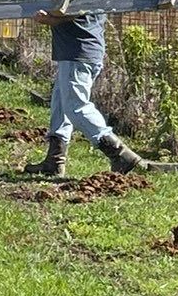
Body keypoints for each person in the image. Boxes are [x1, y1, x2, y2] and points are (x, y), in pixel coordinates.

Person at [30, 10, 146, 179]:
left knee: (76, 107)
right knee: (61, 103)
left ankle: (120, 154)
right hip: (83, 52)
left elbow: (74, 12)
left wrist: (50, 19)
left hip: (77, 52)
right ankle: (54, 161)